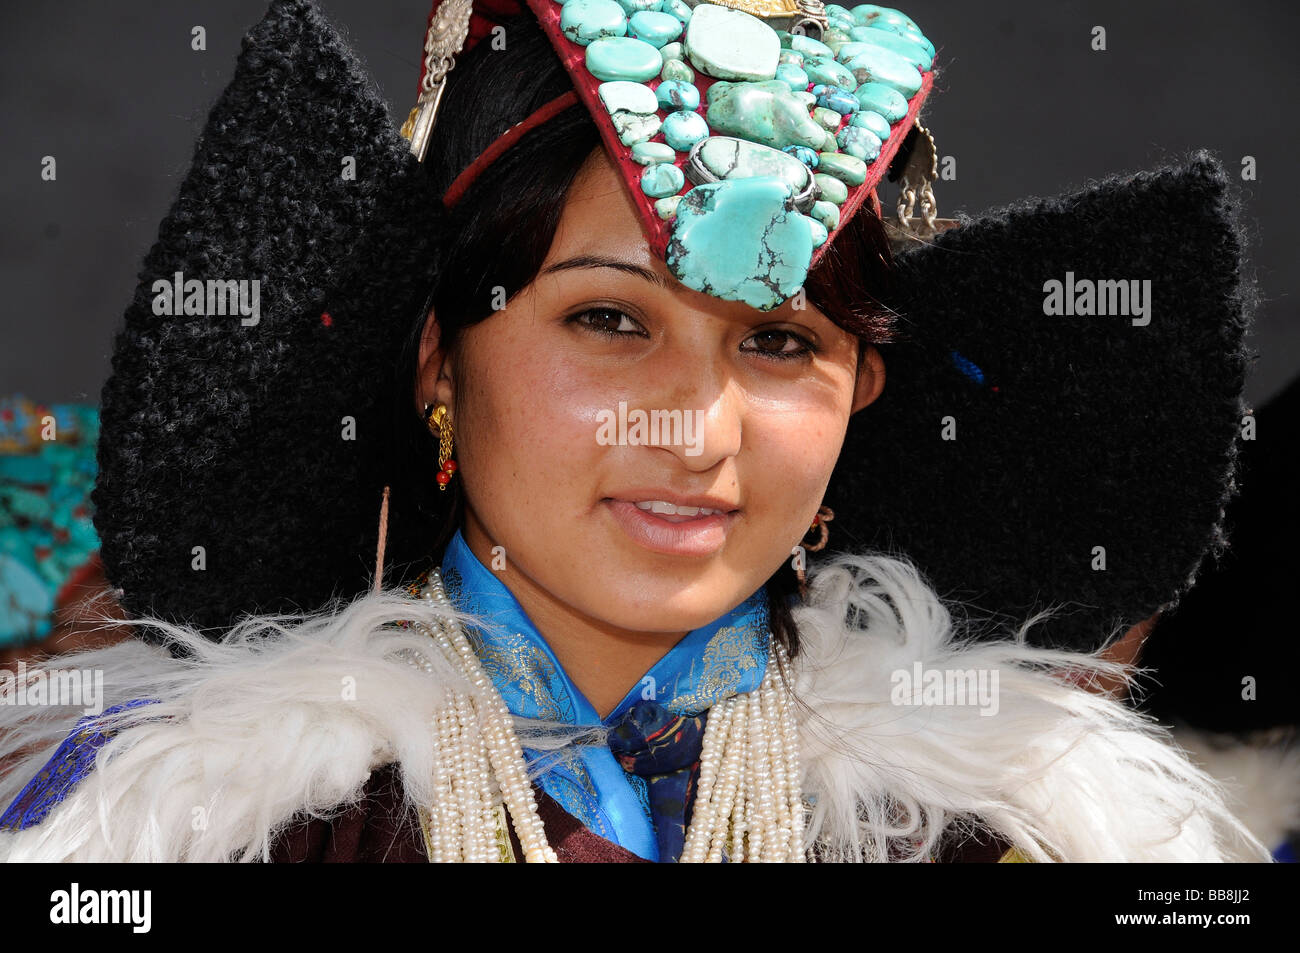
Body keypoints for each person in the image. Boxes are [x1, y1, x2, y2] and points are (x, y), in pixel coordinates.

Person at [0, 0, 1272, 862]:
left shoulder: (990, 831)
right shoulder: (184, 826)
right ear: (438, 358)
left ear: (860, 395)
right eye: (609, 319)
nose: (697, 427)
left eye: (779, 342)